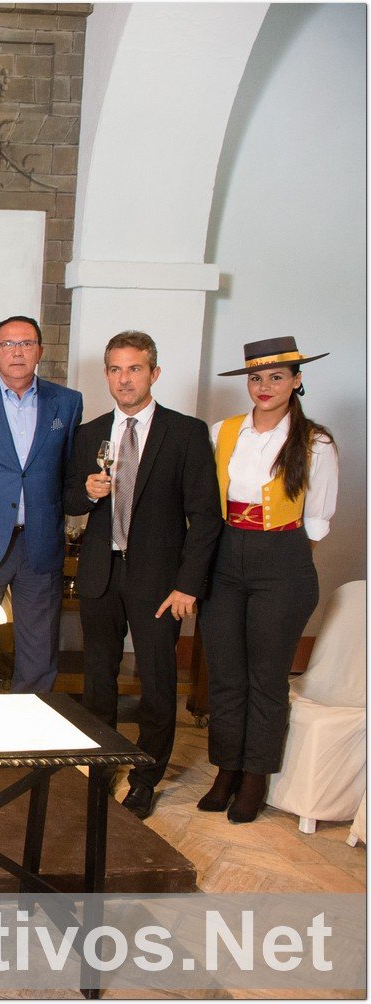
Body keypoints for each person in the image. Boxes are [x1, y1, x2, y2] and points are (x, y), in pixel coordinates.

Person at [65, 331, 222, 820]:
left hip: (160, 581)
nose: (124, 378)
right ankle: (102, 764)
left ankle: (146, 777)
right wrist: (88, 493)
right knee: (98, 681)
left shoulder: (186, 432)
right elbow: (68, 501)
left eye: (134, 369)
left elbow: (206, 517)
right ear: (106, 374)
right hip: (100, 573)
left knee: (157, 683)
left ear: (154, 373)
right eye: (115, 369)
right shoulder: (91, 433)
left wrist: (189, 584)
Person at [198, 337, 337, 824]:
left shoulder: (315, 442)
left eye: (277, 377)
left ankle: (255, 776)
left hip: (283, 558)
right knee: (227, 672)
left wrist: (282, 562)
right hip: (224, 553)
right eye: (256, 378)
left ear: (297, 381)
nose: (265, 386)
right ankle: (226, 768)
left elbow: (316, 524)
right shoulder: (224, 431)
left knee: (267, 678)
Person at [0, 315, 82, 694]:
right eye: (8, 344)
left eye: (26, 343)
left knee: (39, 644)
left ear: (40, 350)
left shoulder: (67, 403)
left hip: (39, 540)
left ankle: (28, 730)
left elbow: (68, 467)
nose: (17, 352)